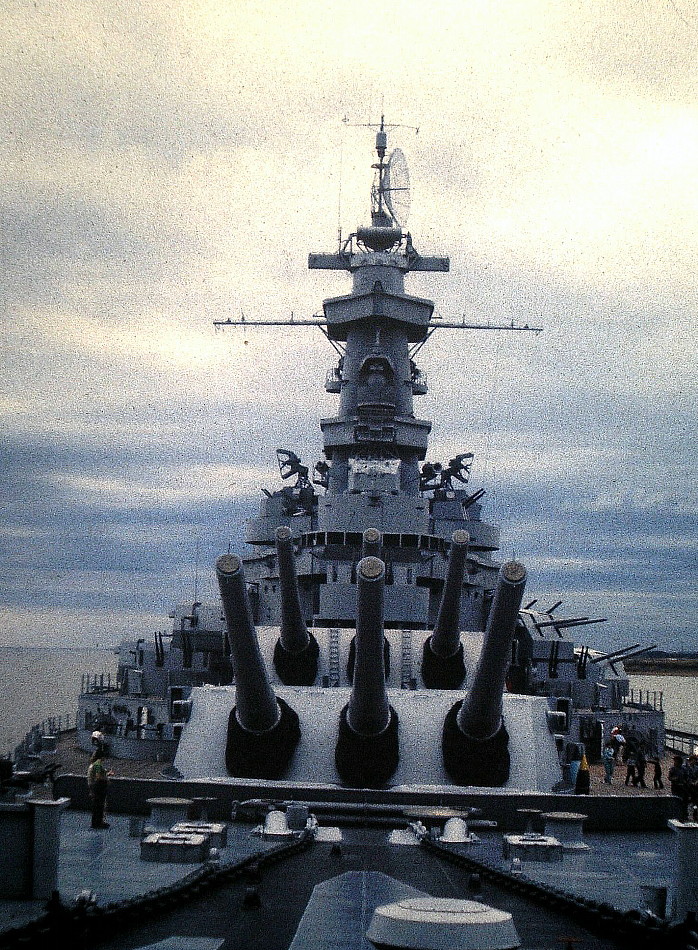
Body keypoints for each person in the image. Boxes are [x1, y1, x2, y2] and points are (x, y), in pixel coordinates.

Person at [87, 751, 113, 829]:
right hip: (99, 787)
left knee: (97, 805)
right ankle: (98, 823)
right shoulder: (98, 764)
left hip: (95, 787)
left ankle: (98, 822)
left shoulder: (93, 764)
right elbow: (98, 776)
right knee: (99, 806)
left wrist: (107, 774)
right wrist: (106, 778)